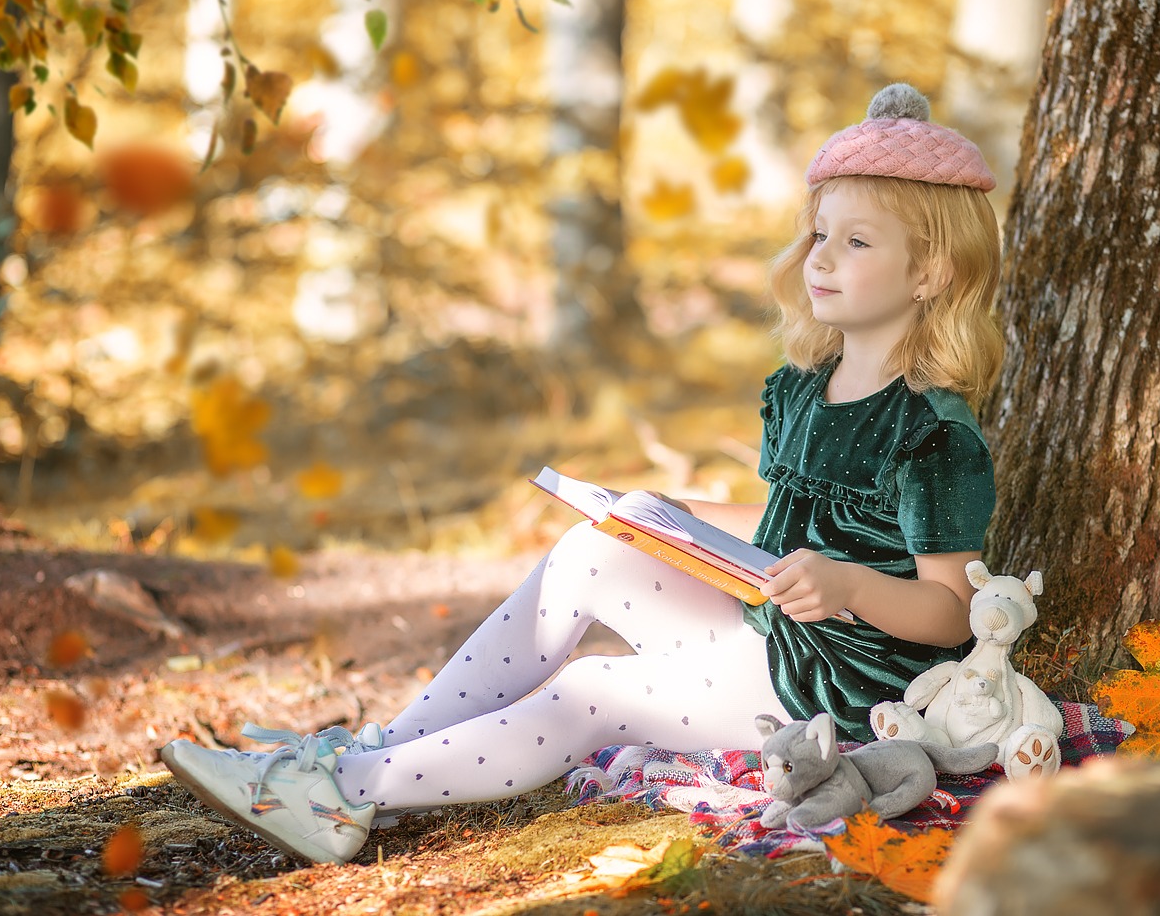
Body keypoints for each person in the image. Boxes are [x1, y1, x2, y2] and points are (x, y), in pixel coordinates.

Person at [159, 82, 1008, 865]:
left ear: (931, 272)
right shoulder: (802, 389)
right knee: (588, 553)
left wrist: (850, 585)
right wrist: (674, 514)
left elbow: (949, 609)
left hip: (834, 688)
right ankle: (369, 751)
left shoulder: (934, 434)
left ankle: (349, 798)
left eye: (856, 242)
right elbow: (795, 518)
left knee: (599, 687)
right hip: (771, 631)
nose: (821, 257)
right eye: (819, 233)